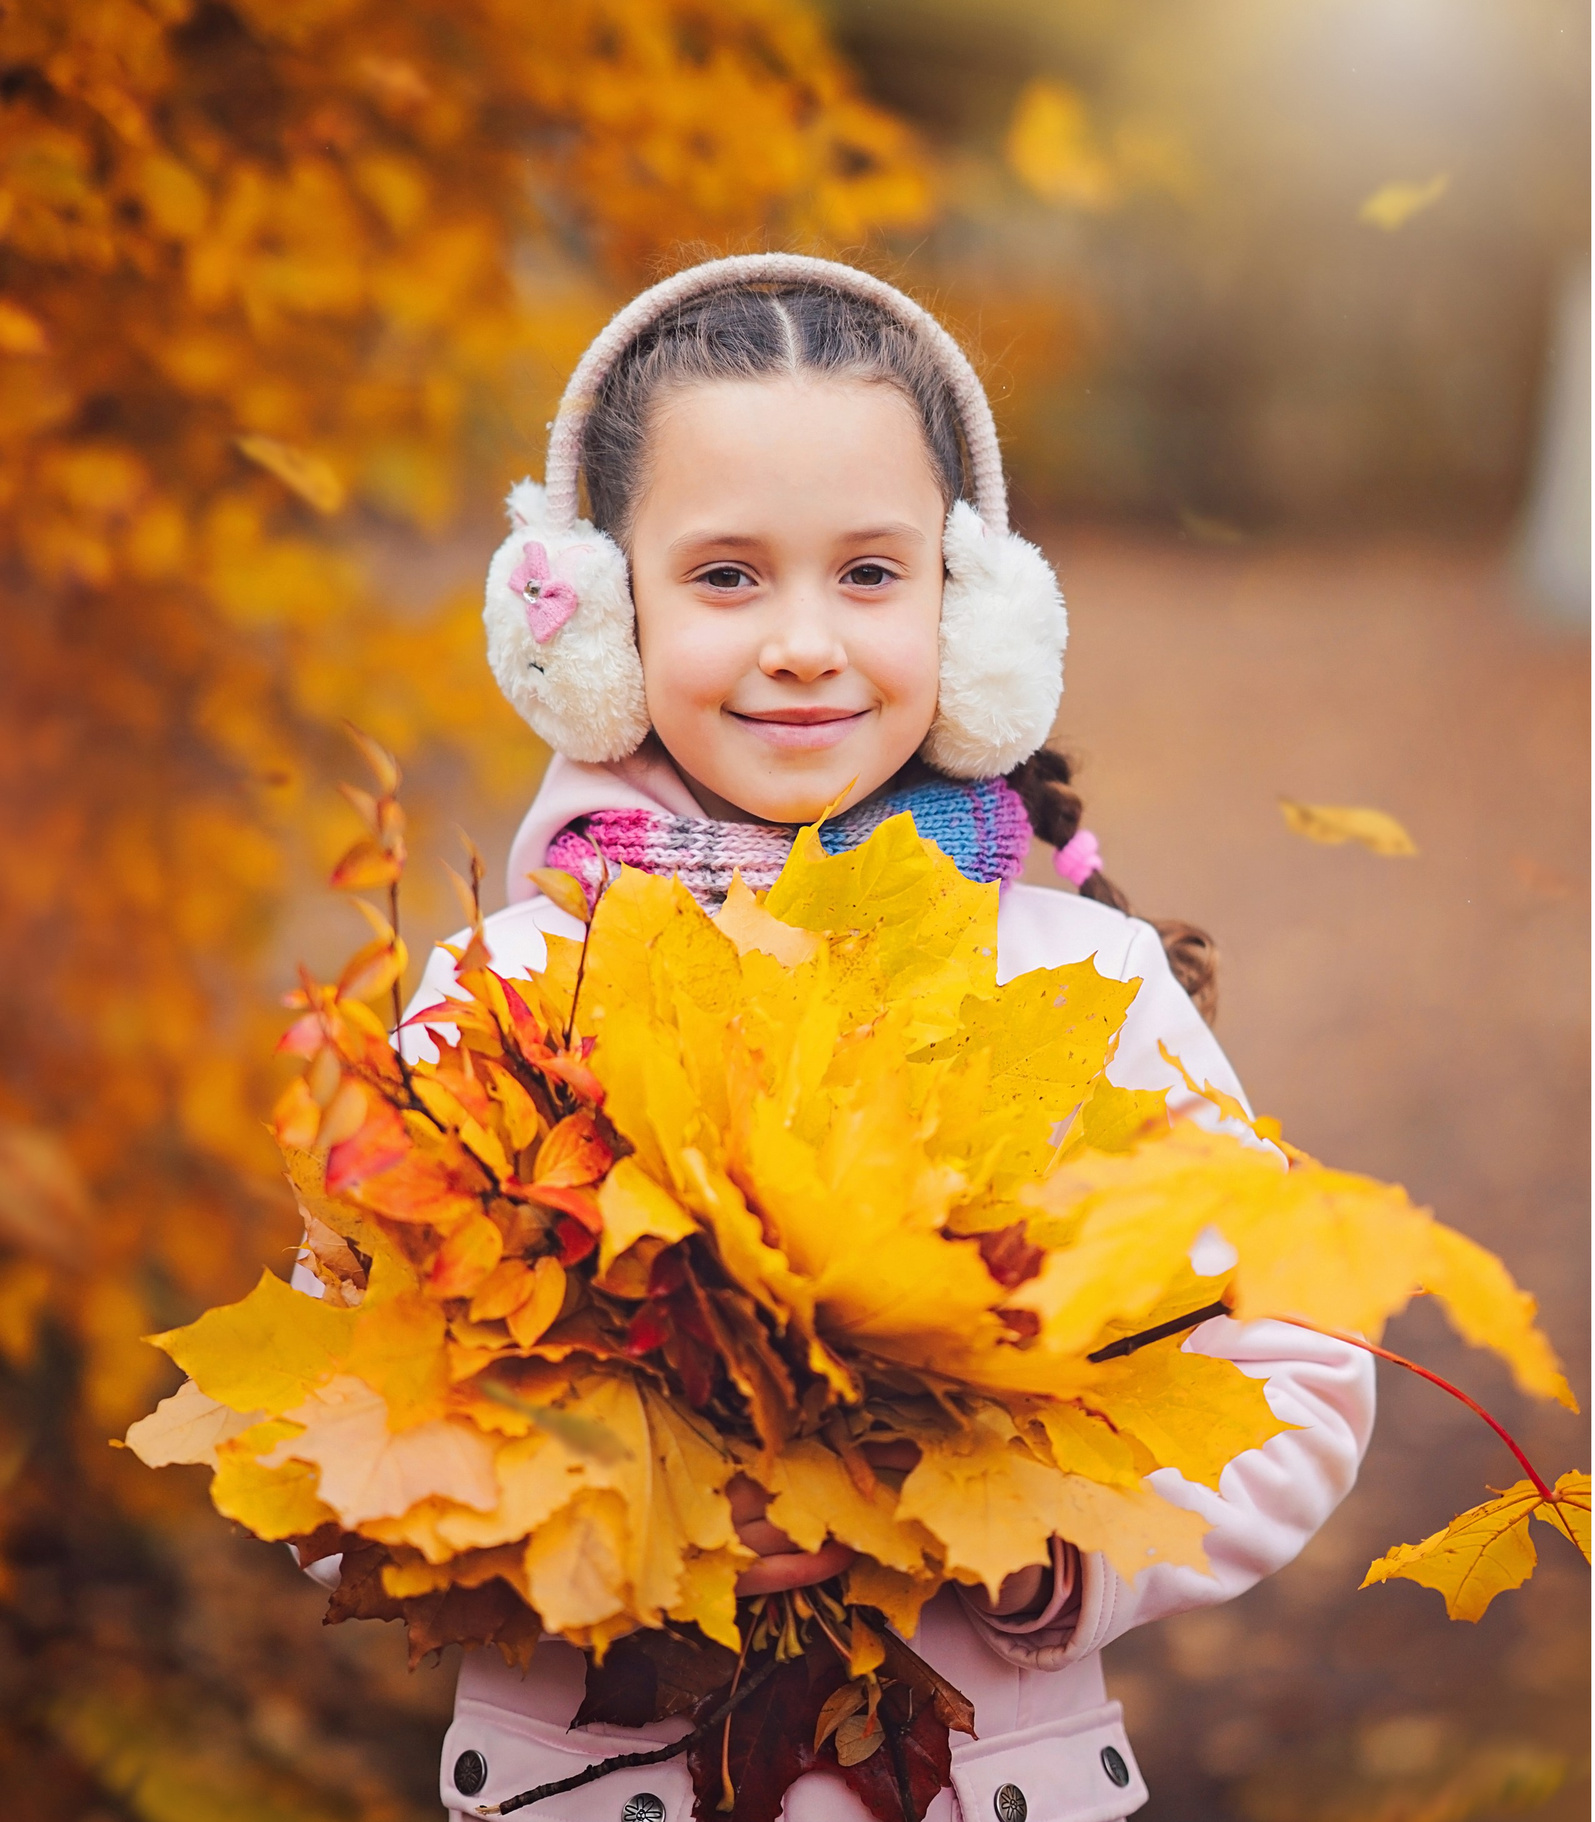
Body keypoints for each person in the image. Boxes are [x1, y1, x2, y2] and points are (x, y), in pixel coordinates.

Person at [362, 254, 1370, 1822]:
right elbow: (337, 1418)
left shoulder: (1085, 979)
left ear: (975, 615)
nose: (807, 643)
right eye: (727, 576)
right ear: (599, 621)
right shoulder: (504, 993)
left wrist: (1048, 1543)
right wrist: (623, 1508)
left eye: (872, 574)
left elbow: (1300, 1363)